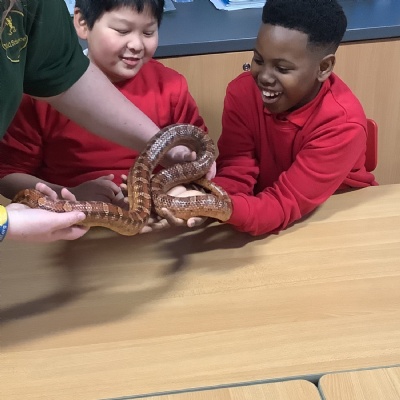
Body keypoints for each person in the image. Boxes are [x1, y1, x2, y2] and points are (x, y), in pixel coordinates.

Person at [164, 0, 378, 236]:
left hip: (338, 216)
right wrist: (205, 200)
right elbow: (237, 168)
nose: (264, 77)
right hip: (271, 214)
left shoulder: (342, 124)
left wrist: (215, 207)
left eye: (282, 69)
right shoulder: (243, 93)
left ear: (324, 67)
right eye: (258, 60)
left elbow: (284, 203)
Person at [0, 0, 201, 242]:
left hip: (154, 233)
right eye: (122, 30)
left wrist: (180, 184)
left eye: (148, 32)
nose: (136, 44)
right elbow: (8, 173)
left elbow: (200, 158)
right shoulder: (33, 98)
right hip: (65, 235)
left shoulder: (170, 86)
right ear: (82, 23)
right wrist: (65, 196)